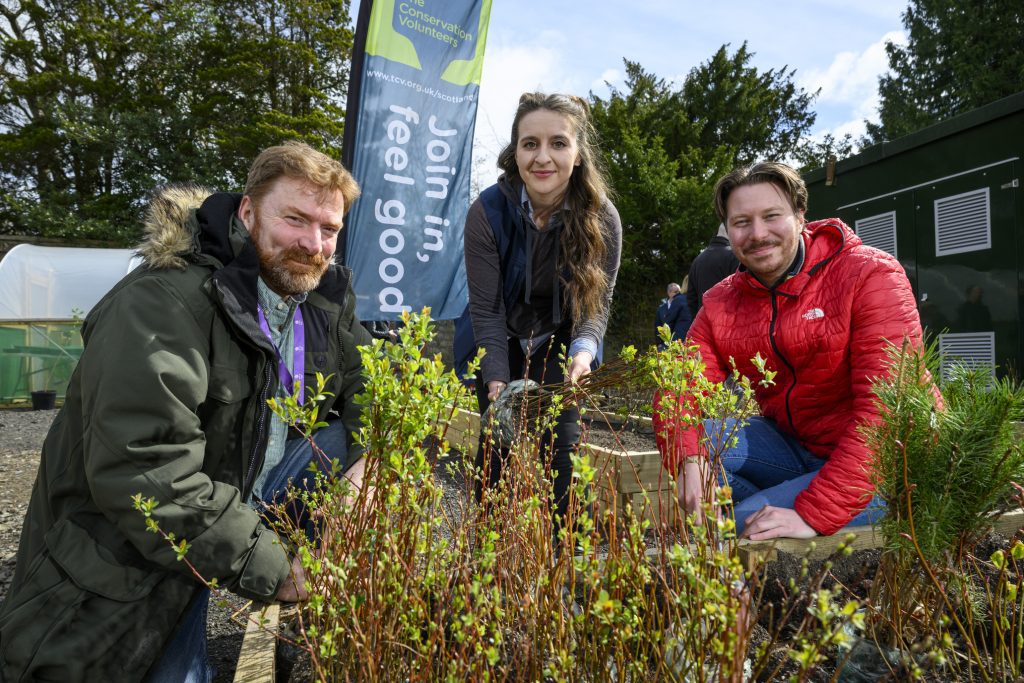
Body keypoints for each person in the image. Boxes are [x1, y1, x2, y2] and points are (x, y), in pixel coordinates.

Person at [0, 141, 372, 681]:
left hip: (239, 487)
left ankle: (309, 620)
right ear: (247, 212)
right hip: (132, 544)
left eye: (329, 228)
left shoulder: (319, 296)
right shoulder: (163, 302)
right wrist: (278, 570)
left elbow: (370, 381)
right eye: (295, 219)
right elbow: (149, 472)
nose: (314, 244)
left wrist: (364, 471)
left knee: (347, 444)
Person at [655, 161, 926, 540]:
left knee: (750, 524)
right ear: (728, 230)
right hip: (799, 447)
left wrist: (811, 514)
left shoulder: (869, 275)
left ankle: (760, 529)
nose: (758, 234)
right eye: (742, 222)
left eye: (771, 216)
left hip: (889, 464)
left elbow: (885, 414)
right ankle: (756, 518)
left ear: (800, 216)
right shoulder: (722, 302)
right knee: (704, 445)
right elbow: (677, 390)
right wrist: (689, 460)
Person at [463, 92, 622, 525]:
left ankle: (568, 560)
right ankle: (489, 560)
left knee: (563, 450)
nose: (542, 157)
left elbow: (596, 303)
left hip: (559, 336)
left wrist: (584, 352)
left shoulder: (602, 217)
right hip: (502, 333)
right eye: (529, 143)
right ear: (515, 152)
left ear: (578, 153)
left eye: (558, 143)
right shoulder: (487, 212)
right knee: (496, 449)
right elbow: (487, 308)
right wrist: (497, 375)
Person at [686, 223, 739, 316]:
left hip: (703, 323)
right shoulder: (734, 256)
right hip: (729, 323)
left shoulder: (697, 260)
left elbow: (691, 299)